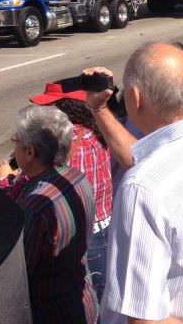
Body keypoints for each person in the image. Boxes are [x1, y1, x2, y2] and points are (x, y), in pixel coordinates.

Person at [83, 43, 183, 324]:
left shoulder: (141, 189)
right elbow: (145, 160)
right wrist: (99, 108)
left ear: (135, 98)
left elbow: (145, 319)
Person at [0, 105, 98, 324]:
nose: (14, 146)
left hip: (51, 312)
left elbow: (18, 275)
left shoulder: (35, 207)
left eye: (16, 141)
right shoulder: (77, 177)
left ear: (30, 152)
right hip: (82, 299)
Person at [29, 81, 113, 303]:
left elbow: (54, 189)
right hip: (104, 226)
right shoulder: (94, 131)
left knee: (85, 296)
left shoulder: (69, 143)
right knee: (103, 295)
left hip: (85, 235)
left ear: (63, 108)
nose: (45, 113)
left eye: (51, 107)